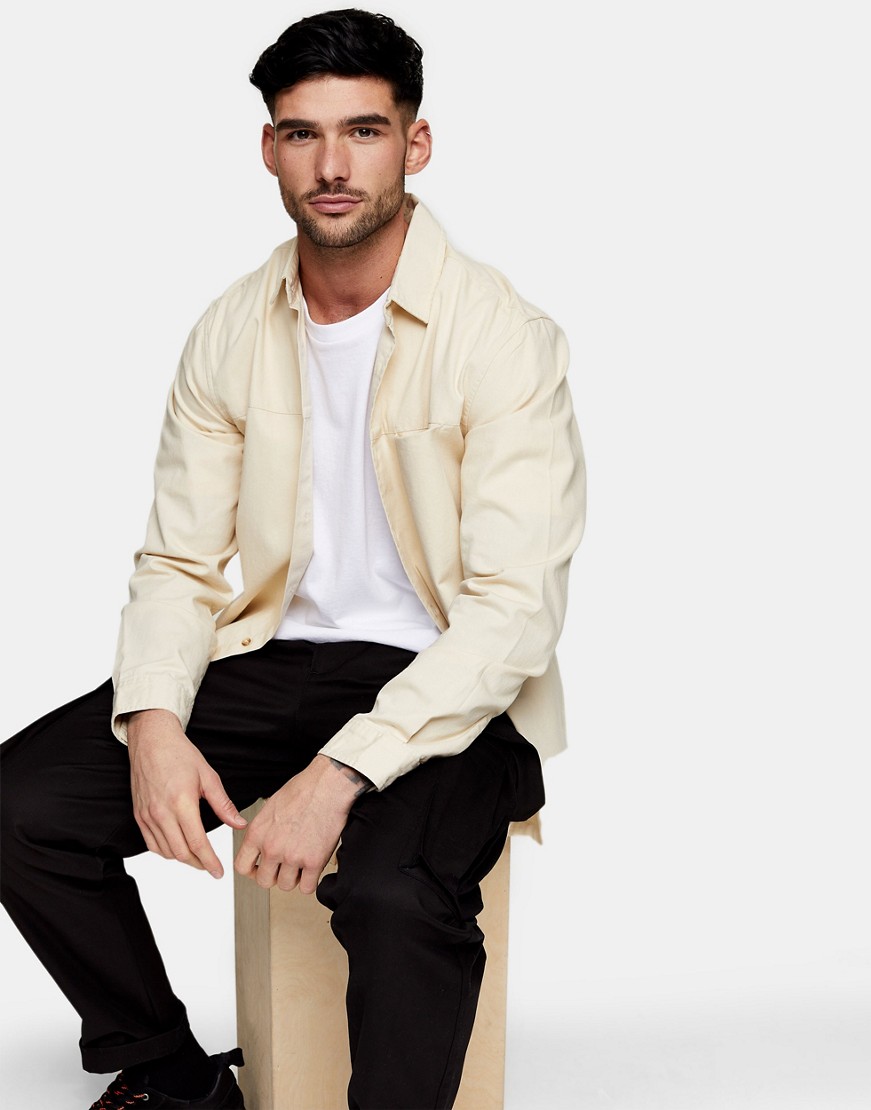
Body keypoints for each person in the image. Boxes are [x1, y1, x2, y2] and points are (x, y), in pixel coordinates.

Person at [0, 8, 585, 1109]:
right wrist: (154, 721)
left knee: (390, 891)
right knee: (22, 805)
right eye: (303, 133)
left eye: (363, 131)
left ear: (415, 144)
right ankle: (172, 1078)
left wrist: (339, 773)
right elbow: (179, 564)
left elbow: (512, 613)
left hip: (453, 687)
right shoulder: (231, 329)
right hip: (279, 663)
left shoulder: (502, 337)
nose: (332, 165)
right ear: (268, 148)